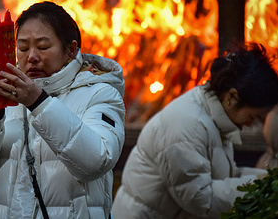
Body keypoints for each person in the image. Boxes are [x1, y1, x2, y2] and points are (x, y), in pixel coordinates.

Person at [0, 1, 126, 218]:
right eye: (23, 48)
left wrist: (39, 103)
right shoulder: (11, 98)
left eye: (42, 47)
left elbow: (96, 161)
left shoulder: (100, 93)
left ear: (71, 50)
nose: (31, 56)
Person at [111, 43, 278, 219]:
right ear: (232, 97)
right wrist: (264, 191)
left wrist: (268, 181)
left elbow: (224, 176)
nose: (252, 125)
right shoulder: (186, 126)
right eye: (254, 117)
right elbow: (201, 199)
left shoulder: (215, 116)